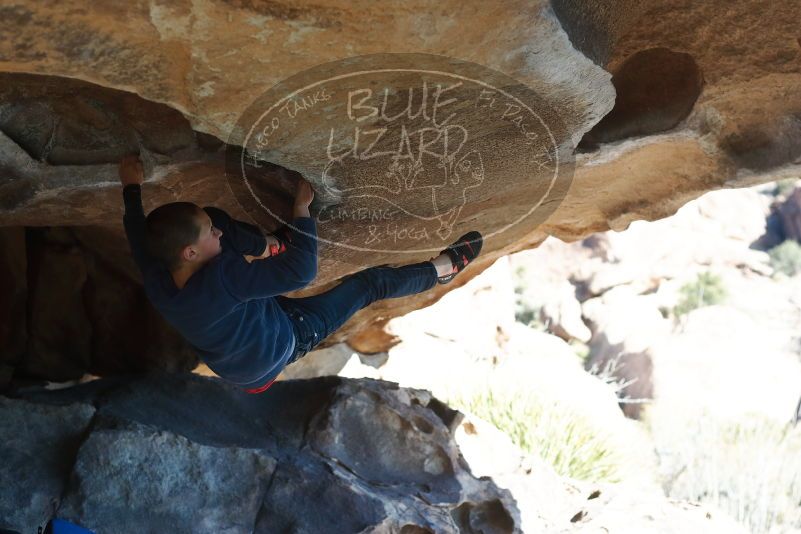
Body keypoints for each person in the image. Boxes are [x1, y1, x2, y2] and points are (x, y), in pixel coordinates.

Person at [119, 154, 483, 394]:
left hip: (237, 356)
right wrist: (300, 210)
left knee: (217, 219)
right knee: (367, 285)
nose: (214, 231)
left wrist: (131, 185)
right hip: (283, 342)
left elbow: (139, 232)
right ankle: (443, 269)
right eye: (206, 233)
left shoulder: (160, 277)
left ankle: (268, 245)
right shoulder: (224, 279)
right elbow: (302, 272)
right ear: (190, 252)